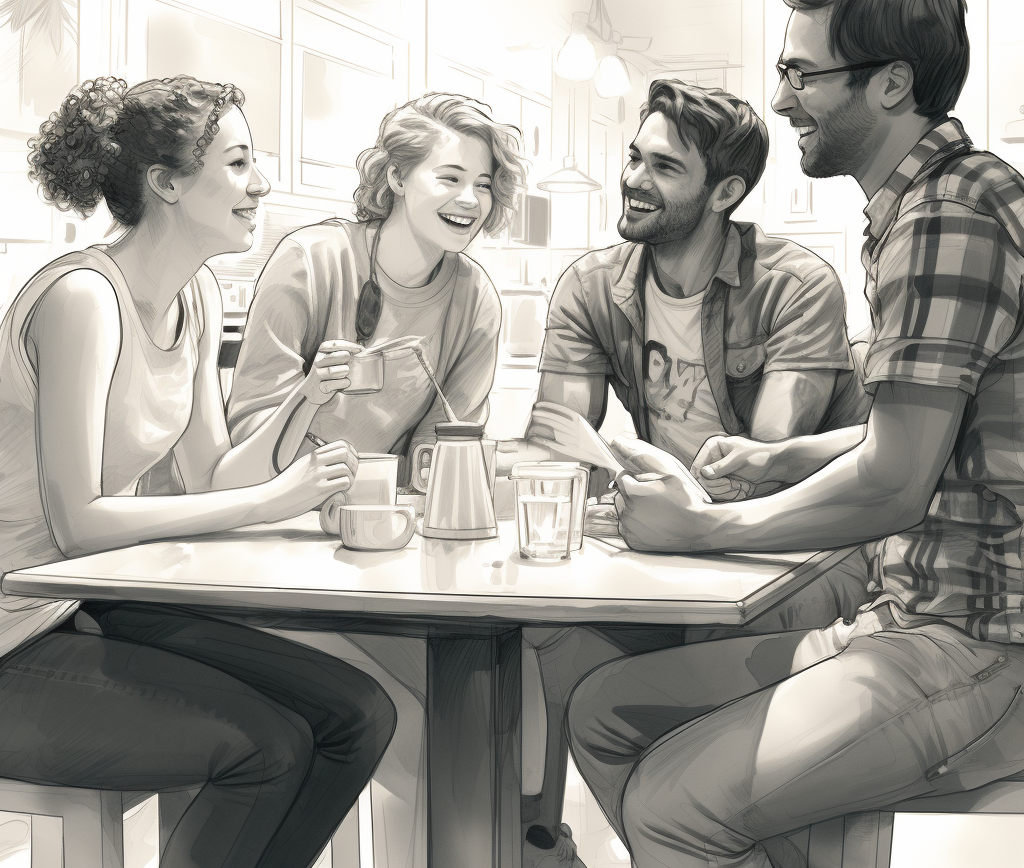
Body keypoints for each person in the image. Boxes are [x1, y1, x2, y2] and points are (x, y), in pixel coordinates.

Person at [565, 0, 1024, 868]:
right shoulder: (925, 206)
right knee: (607, 712)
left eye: (801, 73)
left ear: (891, 84)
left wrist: (697, 531)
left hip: (977, 642)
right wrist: (781, 461)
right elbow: (939, 432)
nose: (780, 100)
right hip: (914, 614)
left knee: (669, 806)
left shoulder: (947, 217)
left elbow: (895, 487)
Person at [0, 75, 396, 868]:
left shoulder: (199, 294)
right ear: (168, 184)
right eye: (241, 163)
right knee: (267, 749)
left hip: (81, 609)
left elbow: (212, 474)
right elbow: (78, 520)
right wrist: (267, 503)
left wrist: (305, 401)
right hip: (13, 631)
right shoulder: (83, 299)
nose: (263, 184)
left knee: (359, 715)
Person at [509, 80, 873, 868]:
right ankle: (545, 847)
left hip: (800, 550)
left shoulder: (793, 283)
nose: (635, 179)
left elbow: (768, 464)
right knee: (552, 637)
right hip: (669, 546)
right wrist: (617, 479)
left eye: (665, 168)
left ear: (726, 193)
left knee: (724, 637)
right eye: (634, 157)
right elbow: (554, 436)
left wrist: (646, 488)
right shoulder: (593, 286)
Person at [226, 93, 526, 481]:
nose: (469, 200)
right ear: (397, 177)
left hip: (385, 509)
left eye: (483, 185)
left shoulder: (476, 298)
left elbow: (441, 452)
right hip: (277, 504)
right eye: (450, 178)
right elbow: (251, 429)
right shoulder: (311, 260)